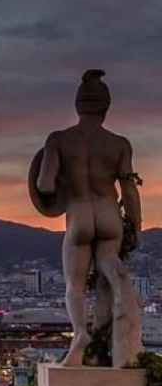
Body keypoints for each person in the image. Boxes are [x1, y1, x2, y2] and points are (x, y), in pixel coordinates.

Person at [35, 69, 143, 367]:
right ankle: (120, 286)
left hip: (79, 213)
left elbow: (44, 185)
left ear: (78, 106)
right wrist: (136, 225)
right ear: (105, 108)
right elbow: (130, 191)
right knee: (110, 261)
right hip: (109, 213)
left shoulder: (58, 140)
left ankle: (81, 335)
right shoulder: (120, 144)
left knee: (76, 285)